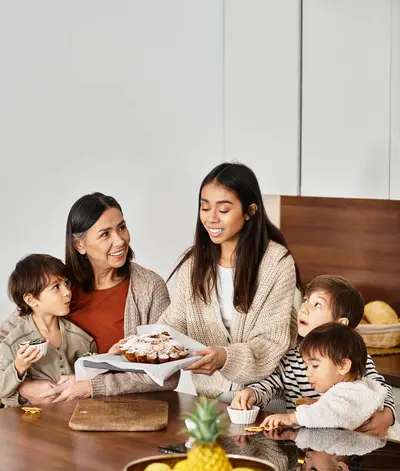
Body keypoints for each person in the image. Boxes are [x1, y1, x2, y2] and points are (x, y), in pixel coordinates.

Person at [0, 193, 178, 403]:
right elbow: (5, 340)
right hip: (55, 417)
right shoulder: (58, 287)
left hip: (128, 413)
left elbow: (167, 374)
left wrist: (93, 386)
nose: (120, 240)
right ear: (79, 244)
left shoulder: (148, 287)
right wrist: (23, 386)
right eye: (105, 234)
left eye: (121, 227)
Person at [158, 162, 299, 398]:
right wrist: (134, 346)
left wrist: (226, 357)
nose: (211, 219)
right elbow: (175, 322)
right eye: (204, 208)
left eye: (223, 210)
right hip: (210, 400)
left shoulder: (277, 262)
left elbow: (272, 341)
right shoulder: (193, 263)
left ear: (250, 211)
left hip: (265, 399)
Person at [230, 275, 396, 437]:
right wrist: (251, 393)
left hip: (349, 450)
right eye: (305, 300)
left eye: (317, 304)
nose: (304, 309)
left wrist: (388, 415)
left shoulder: (357, 357)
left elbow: (380, 388)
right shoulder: (290, 358)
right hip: (305, 447)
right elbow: (268, 384)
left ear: (339, 324)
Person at [261, 323, 400, 439]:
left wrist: (291, 418)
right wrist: (317, 403)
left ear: (343, 366)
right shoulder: (349, 390)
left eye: (315, 365)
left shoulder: (354, 392)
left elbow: (332, 414)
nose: (308, 372)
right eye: (306, 366)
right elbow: (338, 411)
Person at [0, 254, 95, 407]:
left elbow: (90, 385)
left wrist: (94, 367)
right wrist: (18, 368)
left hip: (73, 420)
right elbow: (3, 392)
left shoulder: (83, 339)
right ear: (31, 300)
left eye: (66, 283)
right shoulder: (12, 344)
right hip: (30, 426)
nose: (67, 292)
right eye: (56, 287)